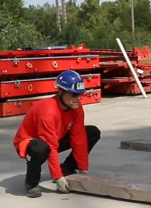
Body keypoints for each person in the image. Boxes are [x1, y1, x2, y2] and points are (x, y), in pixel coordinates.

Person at [13, 70, 101, 198]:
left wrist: (83, 170)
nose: (79, 98)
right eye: (74, 94)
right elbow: (50, 144)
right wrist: (58, 177)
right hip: (30, 142)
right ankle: (31, 182)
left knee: (92, 132)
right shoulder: (48, 110)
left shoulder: (76, 107)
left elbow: (79, 138)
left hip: (54, 138)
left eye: (80, 94)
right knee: (40, 148)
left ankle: (67, 168)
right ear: (60, 92)